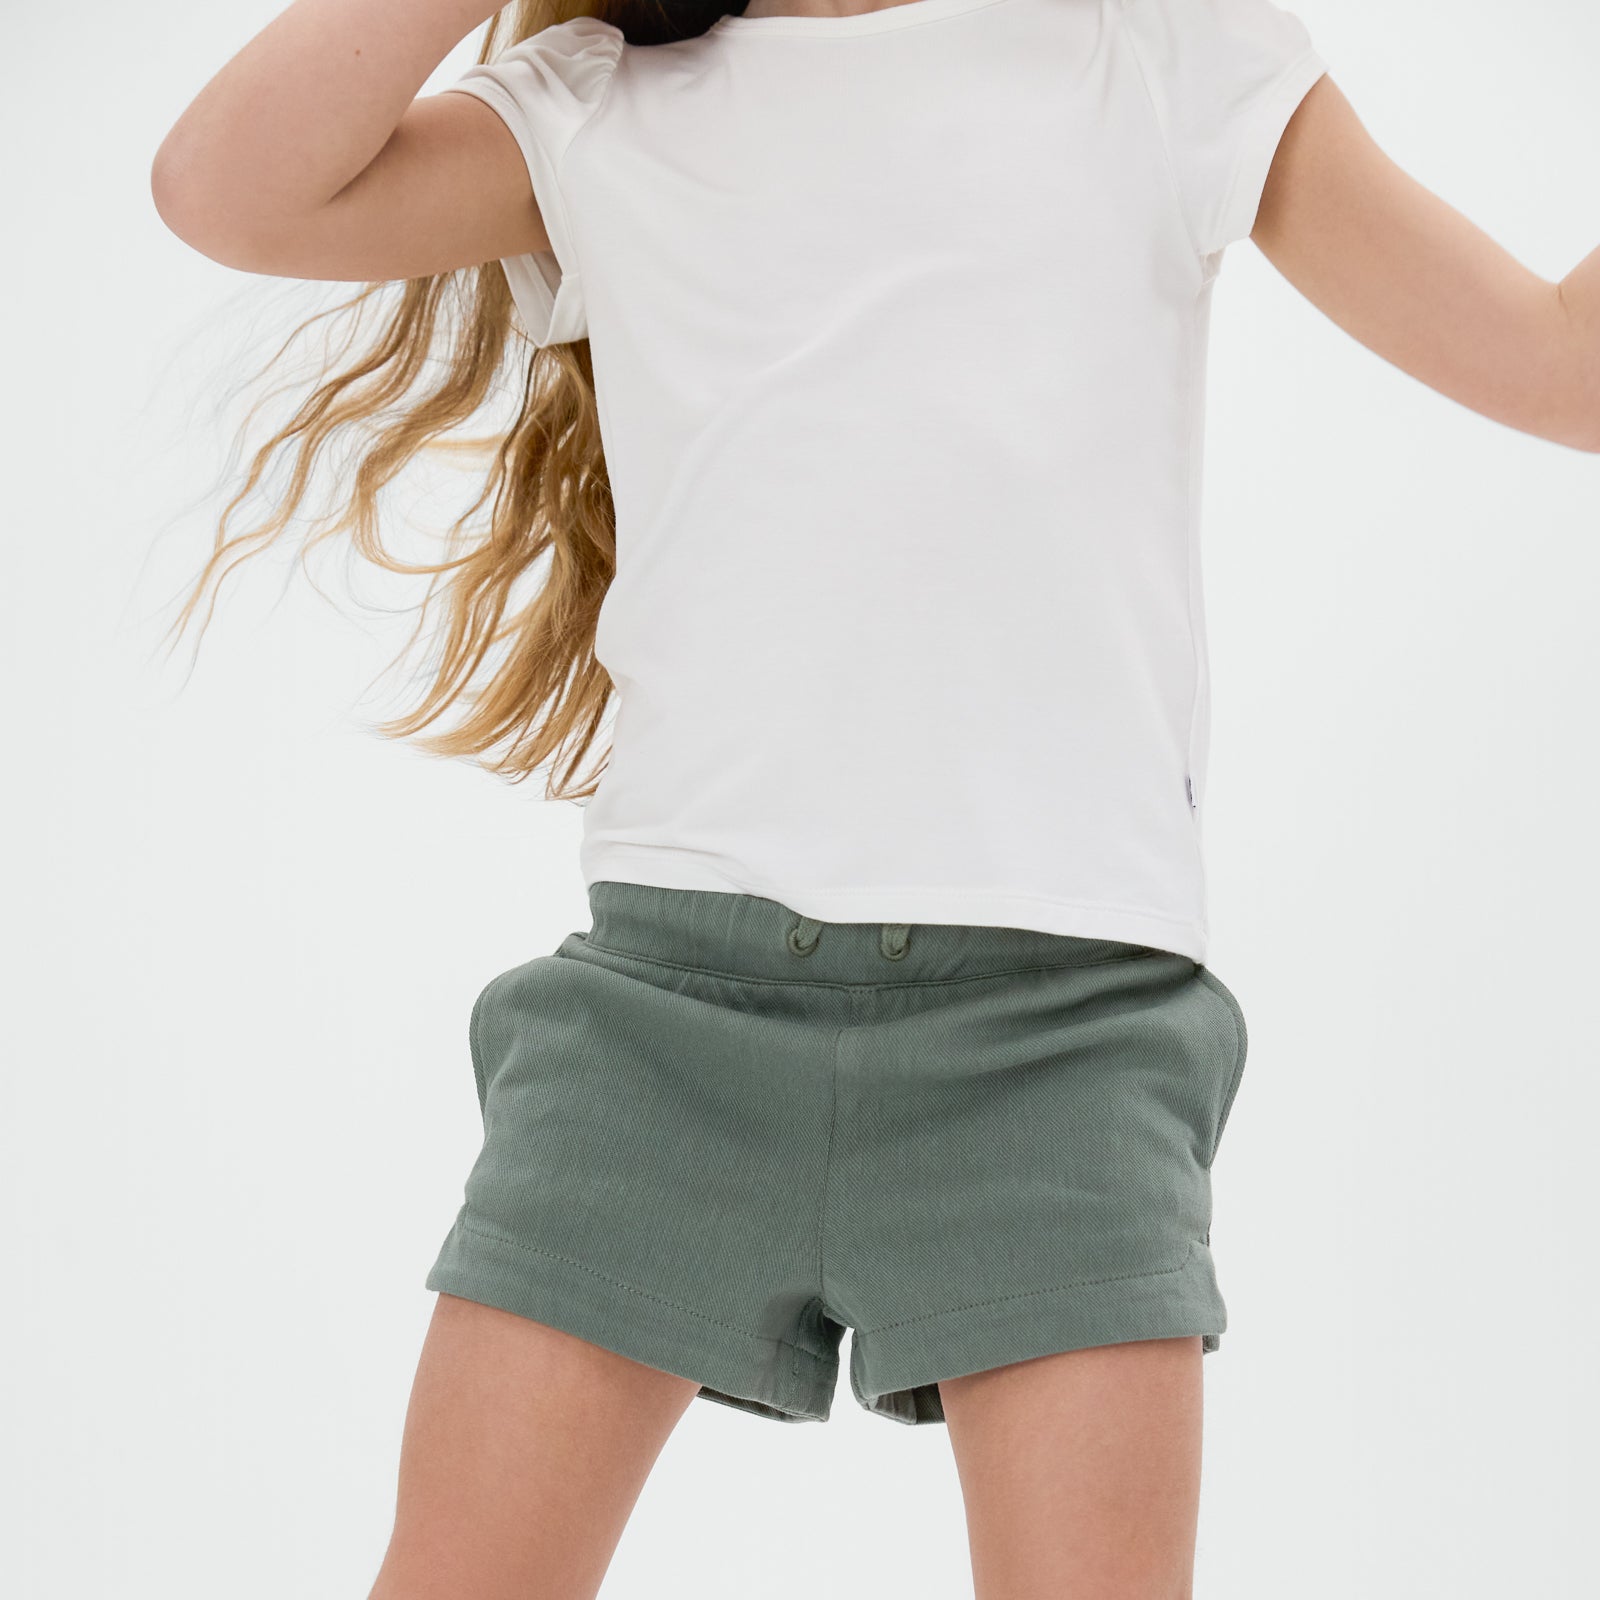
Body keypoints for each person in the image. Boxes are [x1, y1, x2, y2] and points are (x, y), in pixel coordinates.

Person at [149, 1, 1600, 1594]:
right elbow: (231, 191)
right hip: (660, 1035)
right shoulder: (602, 105)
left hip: (1063, 1048)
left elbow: (1562, 365)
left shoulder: (1165, 51)